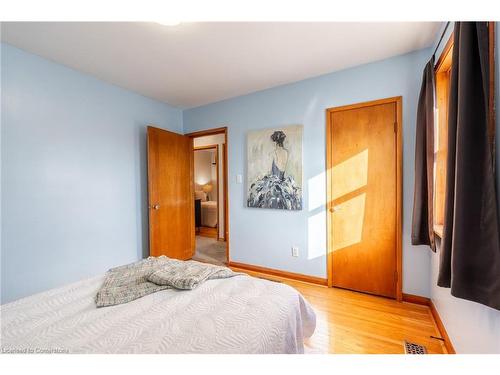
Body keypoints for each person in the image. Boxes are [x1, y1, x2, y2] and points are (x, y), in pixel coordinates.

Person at [247, 130, 302, 210]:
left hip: (274, 182)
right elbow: (282, 168)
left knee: (257, 194)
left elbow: (270, 170)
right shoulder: (286, 152)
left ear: (275, 142)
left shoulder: (273, 153)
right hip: (283, 181)